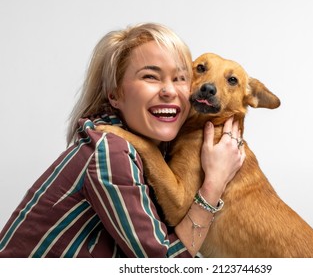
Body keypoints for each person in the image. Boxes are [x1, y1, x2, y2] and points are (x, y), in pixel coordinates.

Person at [0, 23, 245, 258]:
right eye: (151, 76)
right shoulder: (110, 150)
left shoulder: (157, 152)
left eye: (180, 78)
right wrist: (214, 183)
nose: (169, 91)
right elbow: (167, 266)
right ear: (115, 94)